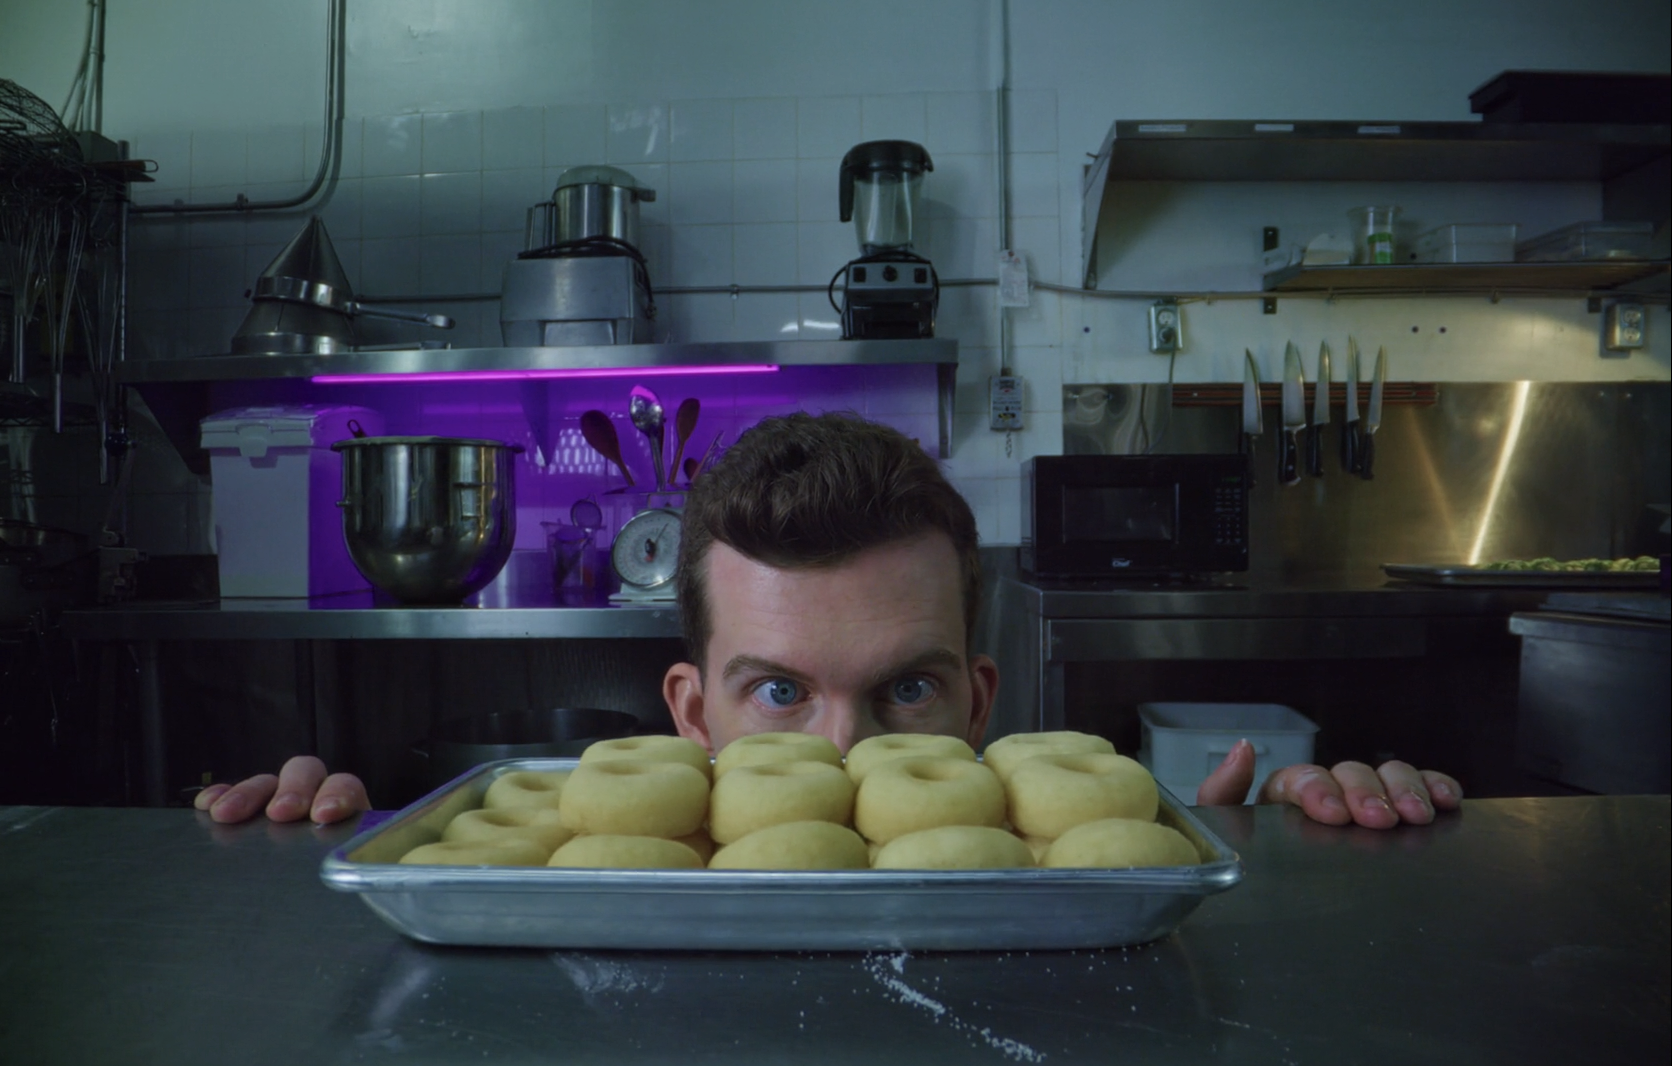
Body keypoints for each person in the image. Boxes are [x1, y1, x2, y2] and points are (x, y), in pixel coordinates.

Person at [198, 412, 1460, 830]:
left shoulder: (1054, 868)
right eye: (779, 691)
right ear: (691, 712)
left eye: (906, 689)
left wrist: (1272, 861)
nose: (846, 759)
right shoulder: (605, 873)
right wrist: (308, 846)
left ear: (979, 701)